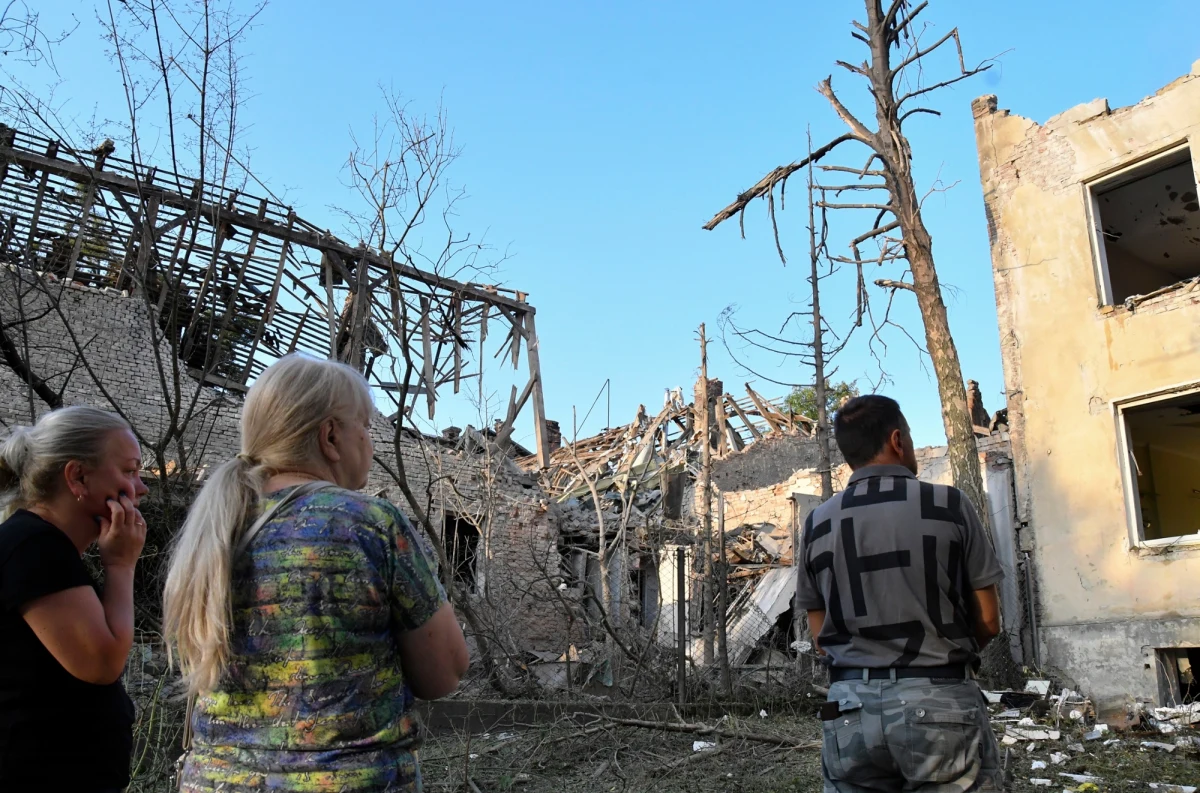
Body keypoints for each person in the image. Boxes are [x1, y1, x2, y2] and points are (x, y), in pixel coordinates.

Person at [164, 354, 469, 793]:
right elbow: (446, 673)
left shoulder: (215, 527)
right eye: (364, 425)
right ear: (330, 436)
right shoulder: (369, 524)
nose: (370, 441)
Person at [797, 395, 1005, 792]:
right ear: (897, 440)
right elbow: (990, 620)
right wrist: (940, 652)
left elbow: (819, 636)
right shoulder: (949, 505)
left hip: (848, 710)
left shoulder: (817, 522)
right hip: (941, 702)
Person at [0, 406, 148, 792]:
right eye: (130, 471)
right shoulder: (35, 546)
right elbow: (101, 662)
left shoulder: (41, 547)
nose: (142, 487)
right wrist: (120, 565)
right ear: (78, 476)